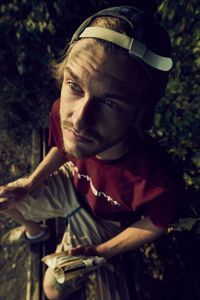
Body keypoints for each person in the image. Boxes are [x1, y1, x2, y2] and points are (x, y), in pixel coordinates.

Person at [0, 3, 185, 300]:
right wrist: (29, 182)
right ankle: (36, 232)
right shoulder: (62, 111)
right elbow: (63, 148)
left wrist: (100, 252)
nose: (79, 119)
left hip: (105, 222)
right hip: (72, 184)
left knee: (52, 289)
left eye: (110, 102)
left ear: (140, 113)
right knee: (4, 198)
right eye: (74, 85)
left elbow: (156, 223)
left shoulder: (156, 179)